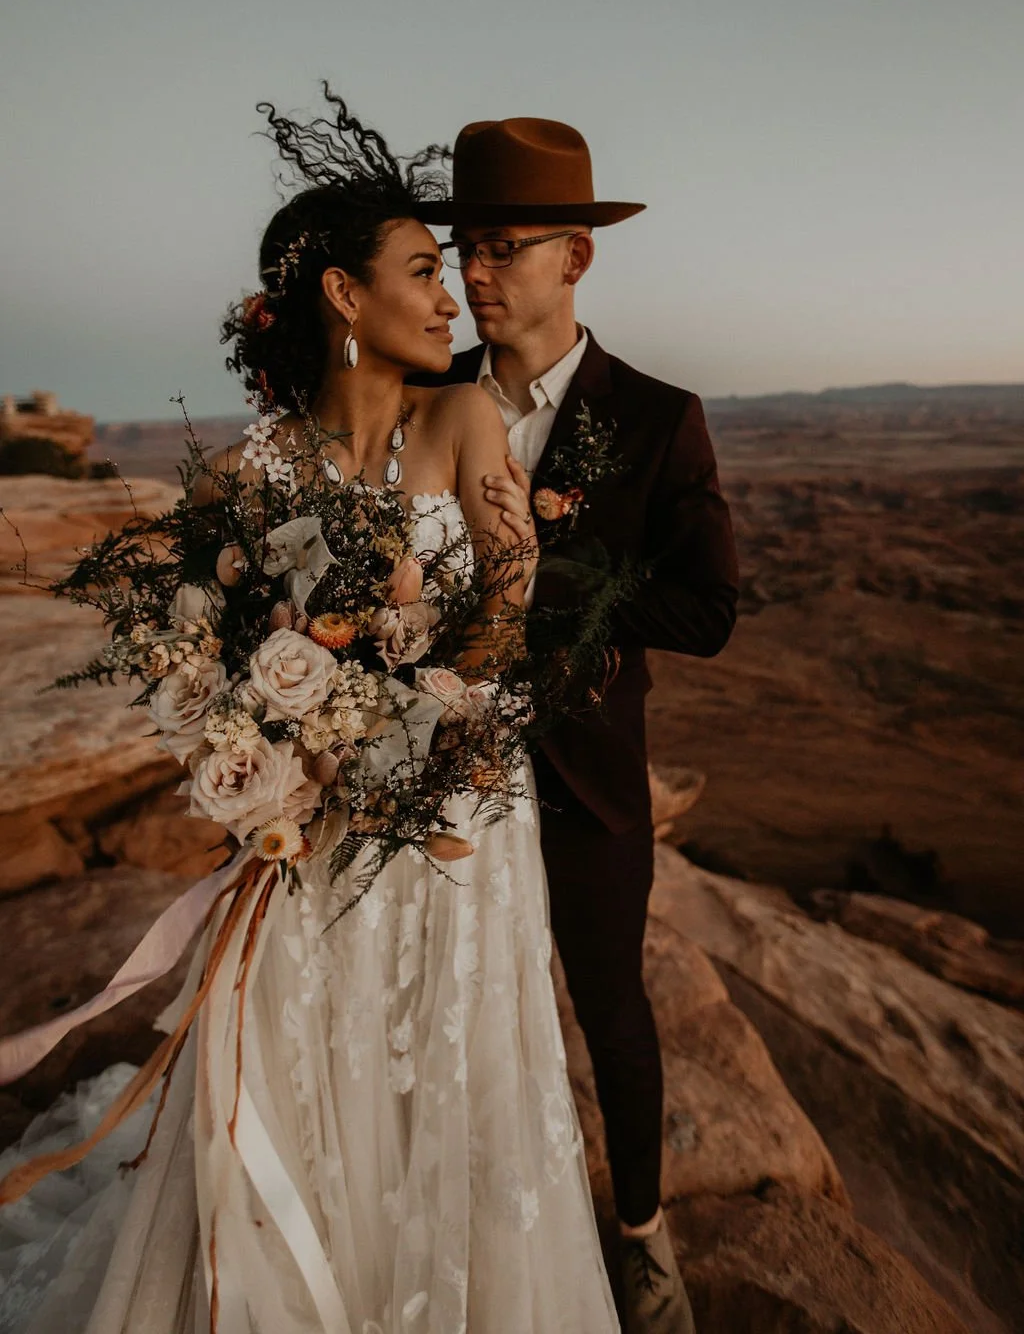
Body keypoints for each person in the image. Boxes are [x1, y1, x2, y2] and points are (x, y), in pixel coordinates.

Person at [0, 96, 620, 1333]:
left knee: (448, 1069)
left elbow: (501, 632)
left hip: (455, 824)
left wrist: (460, 657)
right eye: (422, 273)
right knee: (305, 1066)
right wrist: (264, 753)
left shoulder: (465, 419)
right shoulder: (245, 477)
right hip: (317, 843)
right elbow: (198, 672)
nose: (450, 302)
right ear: (343, 295)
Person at [417, 116, 740, 1334]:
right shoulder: (424, 397)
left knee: (610, 1009)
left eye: (503, 247)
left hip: (590, 777)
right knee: (443, 1008)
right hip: (439, 772)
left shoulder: (656, 416)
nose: (476, 273)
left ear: (577, 258)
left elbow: (707, 611)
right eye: (464, 250)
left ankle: (643, 1236)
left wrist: (541, 574)